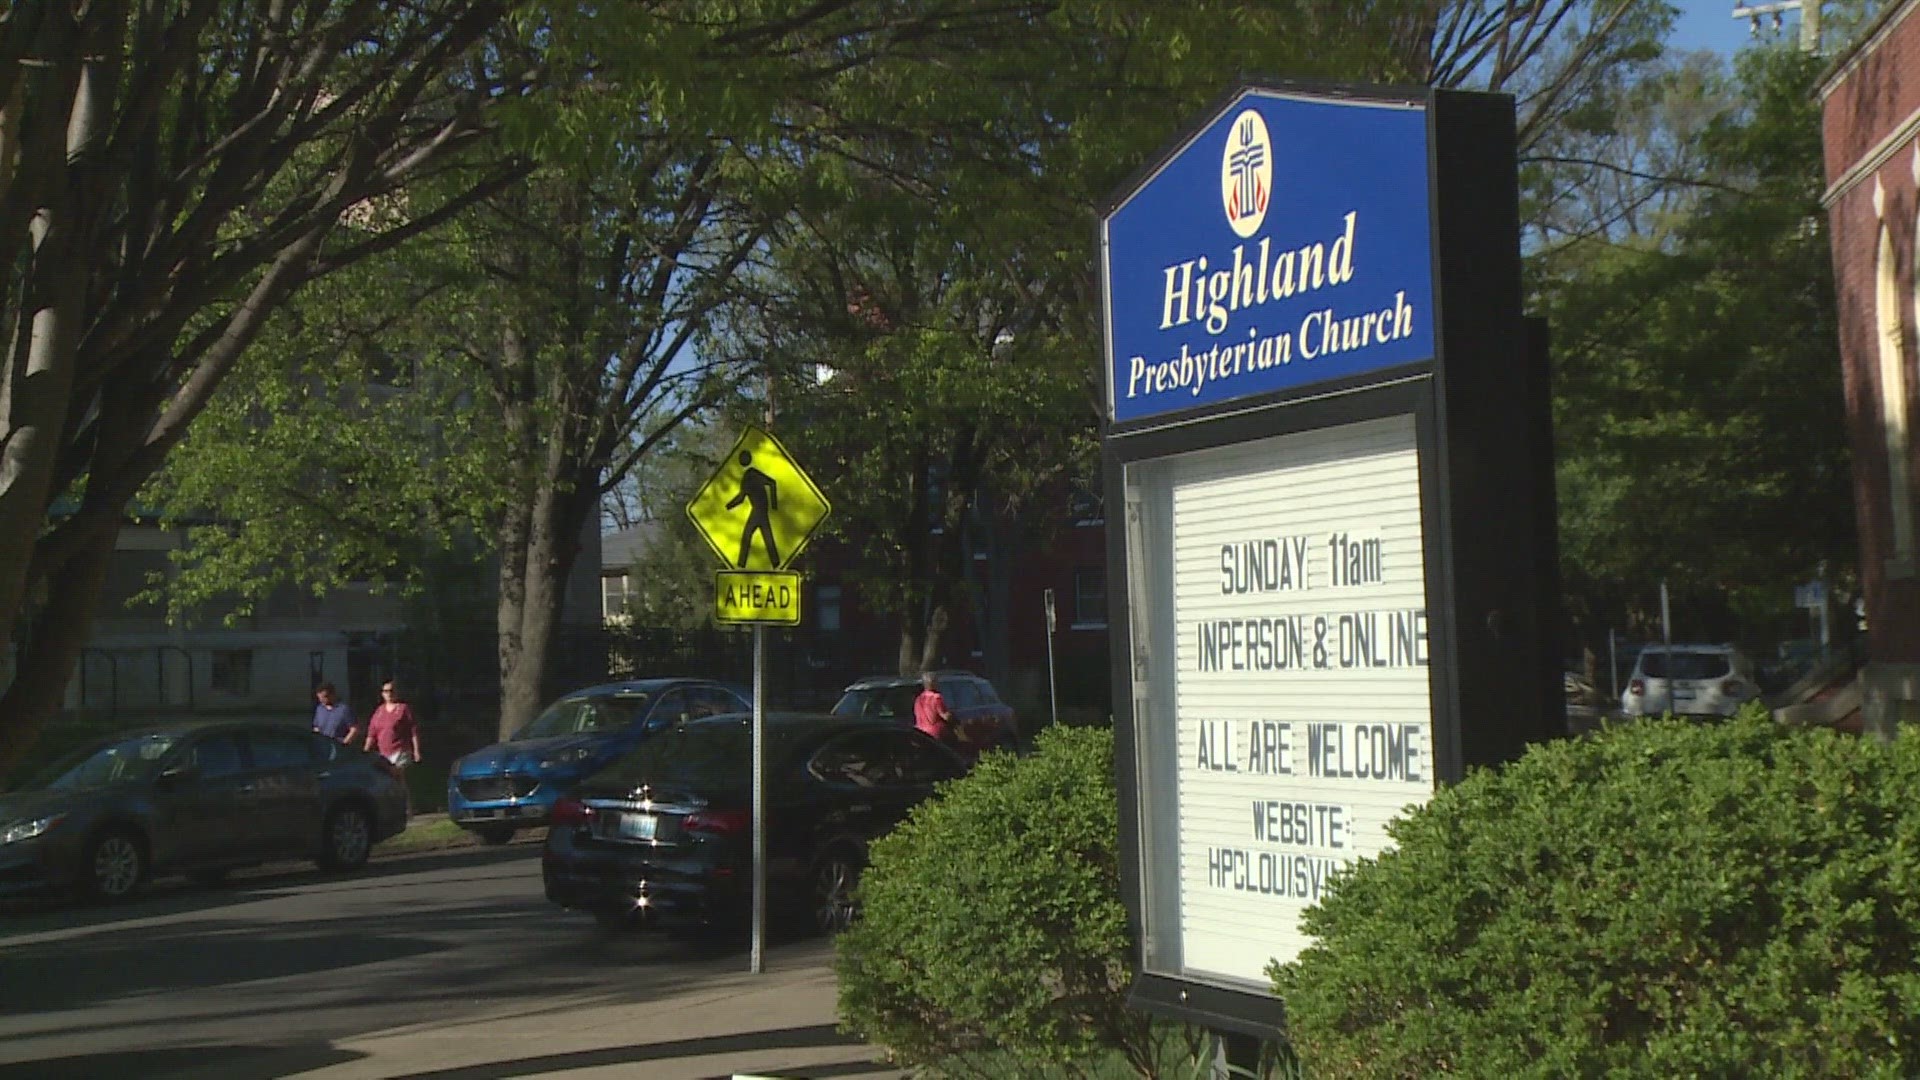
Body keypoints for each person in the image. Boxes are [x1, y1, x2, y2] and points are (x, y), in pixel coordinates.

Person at [363, 681, 423, 769]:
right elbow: (371, 733)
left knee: (398, 776)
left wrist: (416, 751)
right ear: (382, 694)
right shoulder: (379, 711)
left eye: (391, 691)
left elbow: (413, 731)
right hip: (383, 754)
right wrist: (366, 751)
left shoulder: (403, 709)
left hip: (401, 752)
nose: (389, 694)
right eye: (386, 691)